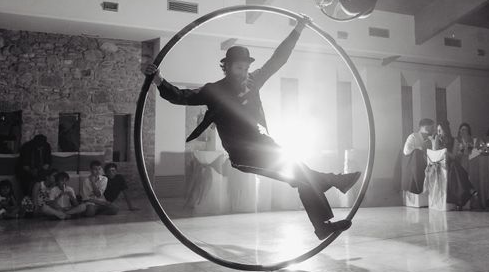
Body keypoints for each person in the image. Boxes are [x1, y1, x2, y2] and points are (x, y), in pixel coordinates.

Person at [143, 17, 360, 240]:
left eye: (247, 67)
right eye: (239, 67)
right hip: (244, 155)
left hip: (265, 145)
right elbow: (181, 96)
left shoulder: (253, 81)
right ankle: (334, 183)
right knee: (302, 174)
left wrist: (298, 29)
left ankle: (325, 215)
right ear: (226, 67)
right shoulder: (214, 91)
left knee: (302, 174)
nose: (245, 71)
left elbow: (278, 59)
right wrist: (159, 80)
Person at [17, 134, 52, 198]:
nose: (40, 148)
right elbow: (24, 165)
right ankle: (28, 199)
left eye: (42, 147)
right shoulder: (26, 147)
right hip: (27, 171)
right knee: (27, 183)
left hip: (41, 170)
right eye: (39, 146)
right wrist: (32, 171)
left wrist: (40, 171)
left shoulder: (47, 146)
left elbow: (48, 162)